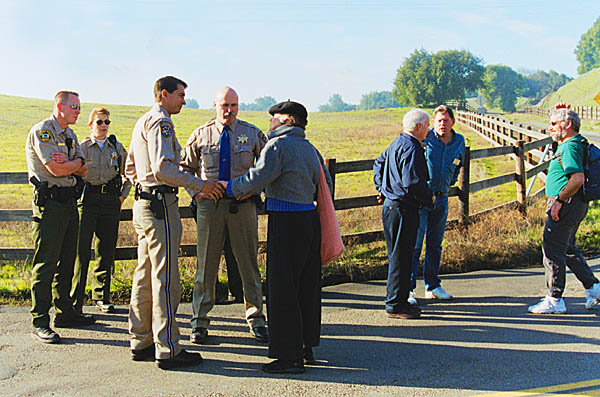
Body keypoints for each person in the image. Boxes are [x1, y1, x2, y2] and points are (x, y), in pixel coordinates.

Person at [224, 100, 332, 374]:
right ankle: (306, 346)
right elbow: (326, 185)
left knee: (282, 289)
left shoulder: (277, 146)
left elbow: (256, 179)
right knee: (305, 288)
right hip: (309, 220)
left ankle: (288, 356)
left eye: (274, 117)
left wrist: (228, 188)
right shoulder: (310, 149)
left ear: (286, 120)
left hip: (286, 221)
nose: (269, 121)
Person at [124, 76, 224, 369]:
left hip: (144, 204)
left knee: (144, 274)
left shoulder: (143, 120)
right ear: (164, 94)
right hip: (159, 207)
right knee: (165, 278)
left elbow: (131, 165)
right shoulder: (161, 122)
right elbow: (163, 167)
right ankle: (168, 347)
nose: (183, 100)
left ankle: (140, 339)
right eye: (180, 95)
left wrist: (143, 186)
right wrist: (200, 185)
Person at [181, 87, 268, 343]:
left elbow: (267, 167)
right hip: (211, 207)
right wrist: (196, 192)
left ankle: (256, 318)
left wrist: (251, 188)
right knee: (206, 265)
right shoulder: (201, 134)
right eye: (224, 105)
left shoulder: (251, 134)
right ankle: (199, 322)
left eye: (234, 105)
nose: (229, 110)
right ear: (215, 105)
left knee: (249, 265)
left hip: (243, 206)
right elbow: (184, 167)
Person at [25, 91, 95, 344]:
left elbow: (84, 168)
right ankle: (40, 320)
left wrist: (72, 162)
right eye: (74, 106)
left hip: (69, 202)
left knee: (68, 260)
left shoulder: (69, 134)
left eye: (79, 107)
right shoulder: (44, 131)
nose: (78, 111)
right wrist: (73, 163)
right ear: (59, 106)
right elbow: (54, 168)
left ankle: (65, 312)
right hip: (50, 205)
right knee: (46, 263)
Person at [528, 105, 600, 314]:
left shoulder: (569, 147)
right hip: (576, 204)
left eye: (553, 124)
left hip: (567, 203)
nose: (550, 128)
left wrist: (559, 200)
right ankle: (593, 288)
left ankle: (554, 299)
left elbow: (577, 178)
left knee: (551, 248)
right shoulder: (577, 143)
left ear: (567, 124)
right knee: (567, 248)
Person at [373, 108, 435, 320]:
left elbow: (379, 163)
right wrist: (429, 198)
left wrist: (382, 188)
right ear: (418, 127)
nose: (429, 130)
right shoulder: (412, 148)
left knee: (398, 256)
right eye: (427, 126)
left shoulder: (397, 143)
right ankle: (396, 304)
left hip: (392, 206)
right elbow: (412, 183)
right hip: (403, 208)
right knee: (402, 257)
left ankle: (397, 301)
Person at [70, 107, 131, 314]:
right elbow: (74, 173)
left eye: (107, 122)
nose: (104, 126)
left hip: (110, 200)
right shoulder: (82, 148)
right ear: (90, 125)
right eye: (99, 122)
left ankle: (101, 297)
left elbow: (130, 171)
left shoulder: (116, 147)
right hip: (87, 200)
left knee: (106, 251)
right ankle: (75, 300)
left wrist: (123, 195)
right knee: (81, 252)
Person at [409, 105, 465, 304]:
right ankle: (408, 289)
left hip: (442, 198)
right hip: (423, 198)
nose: (442, 124)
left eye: (446, 120)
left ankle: (432, 286)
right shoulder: (426, 138)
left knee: (435, 244)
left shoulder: (459, 141)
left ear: (453, 122)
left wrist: (450, 181)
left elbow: (459, 164)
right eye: (439, 120)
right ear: (433, 123)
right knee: (415, 244)